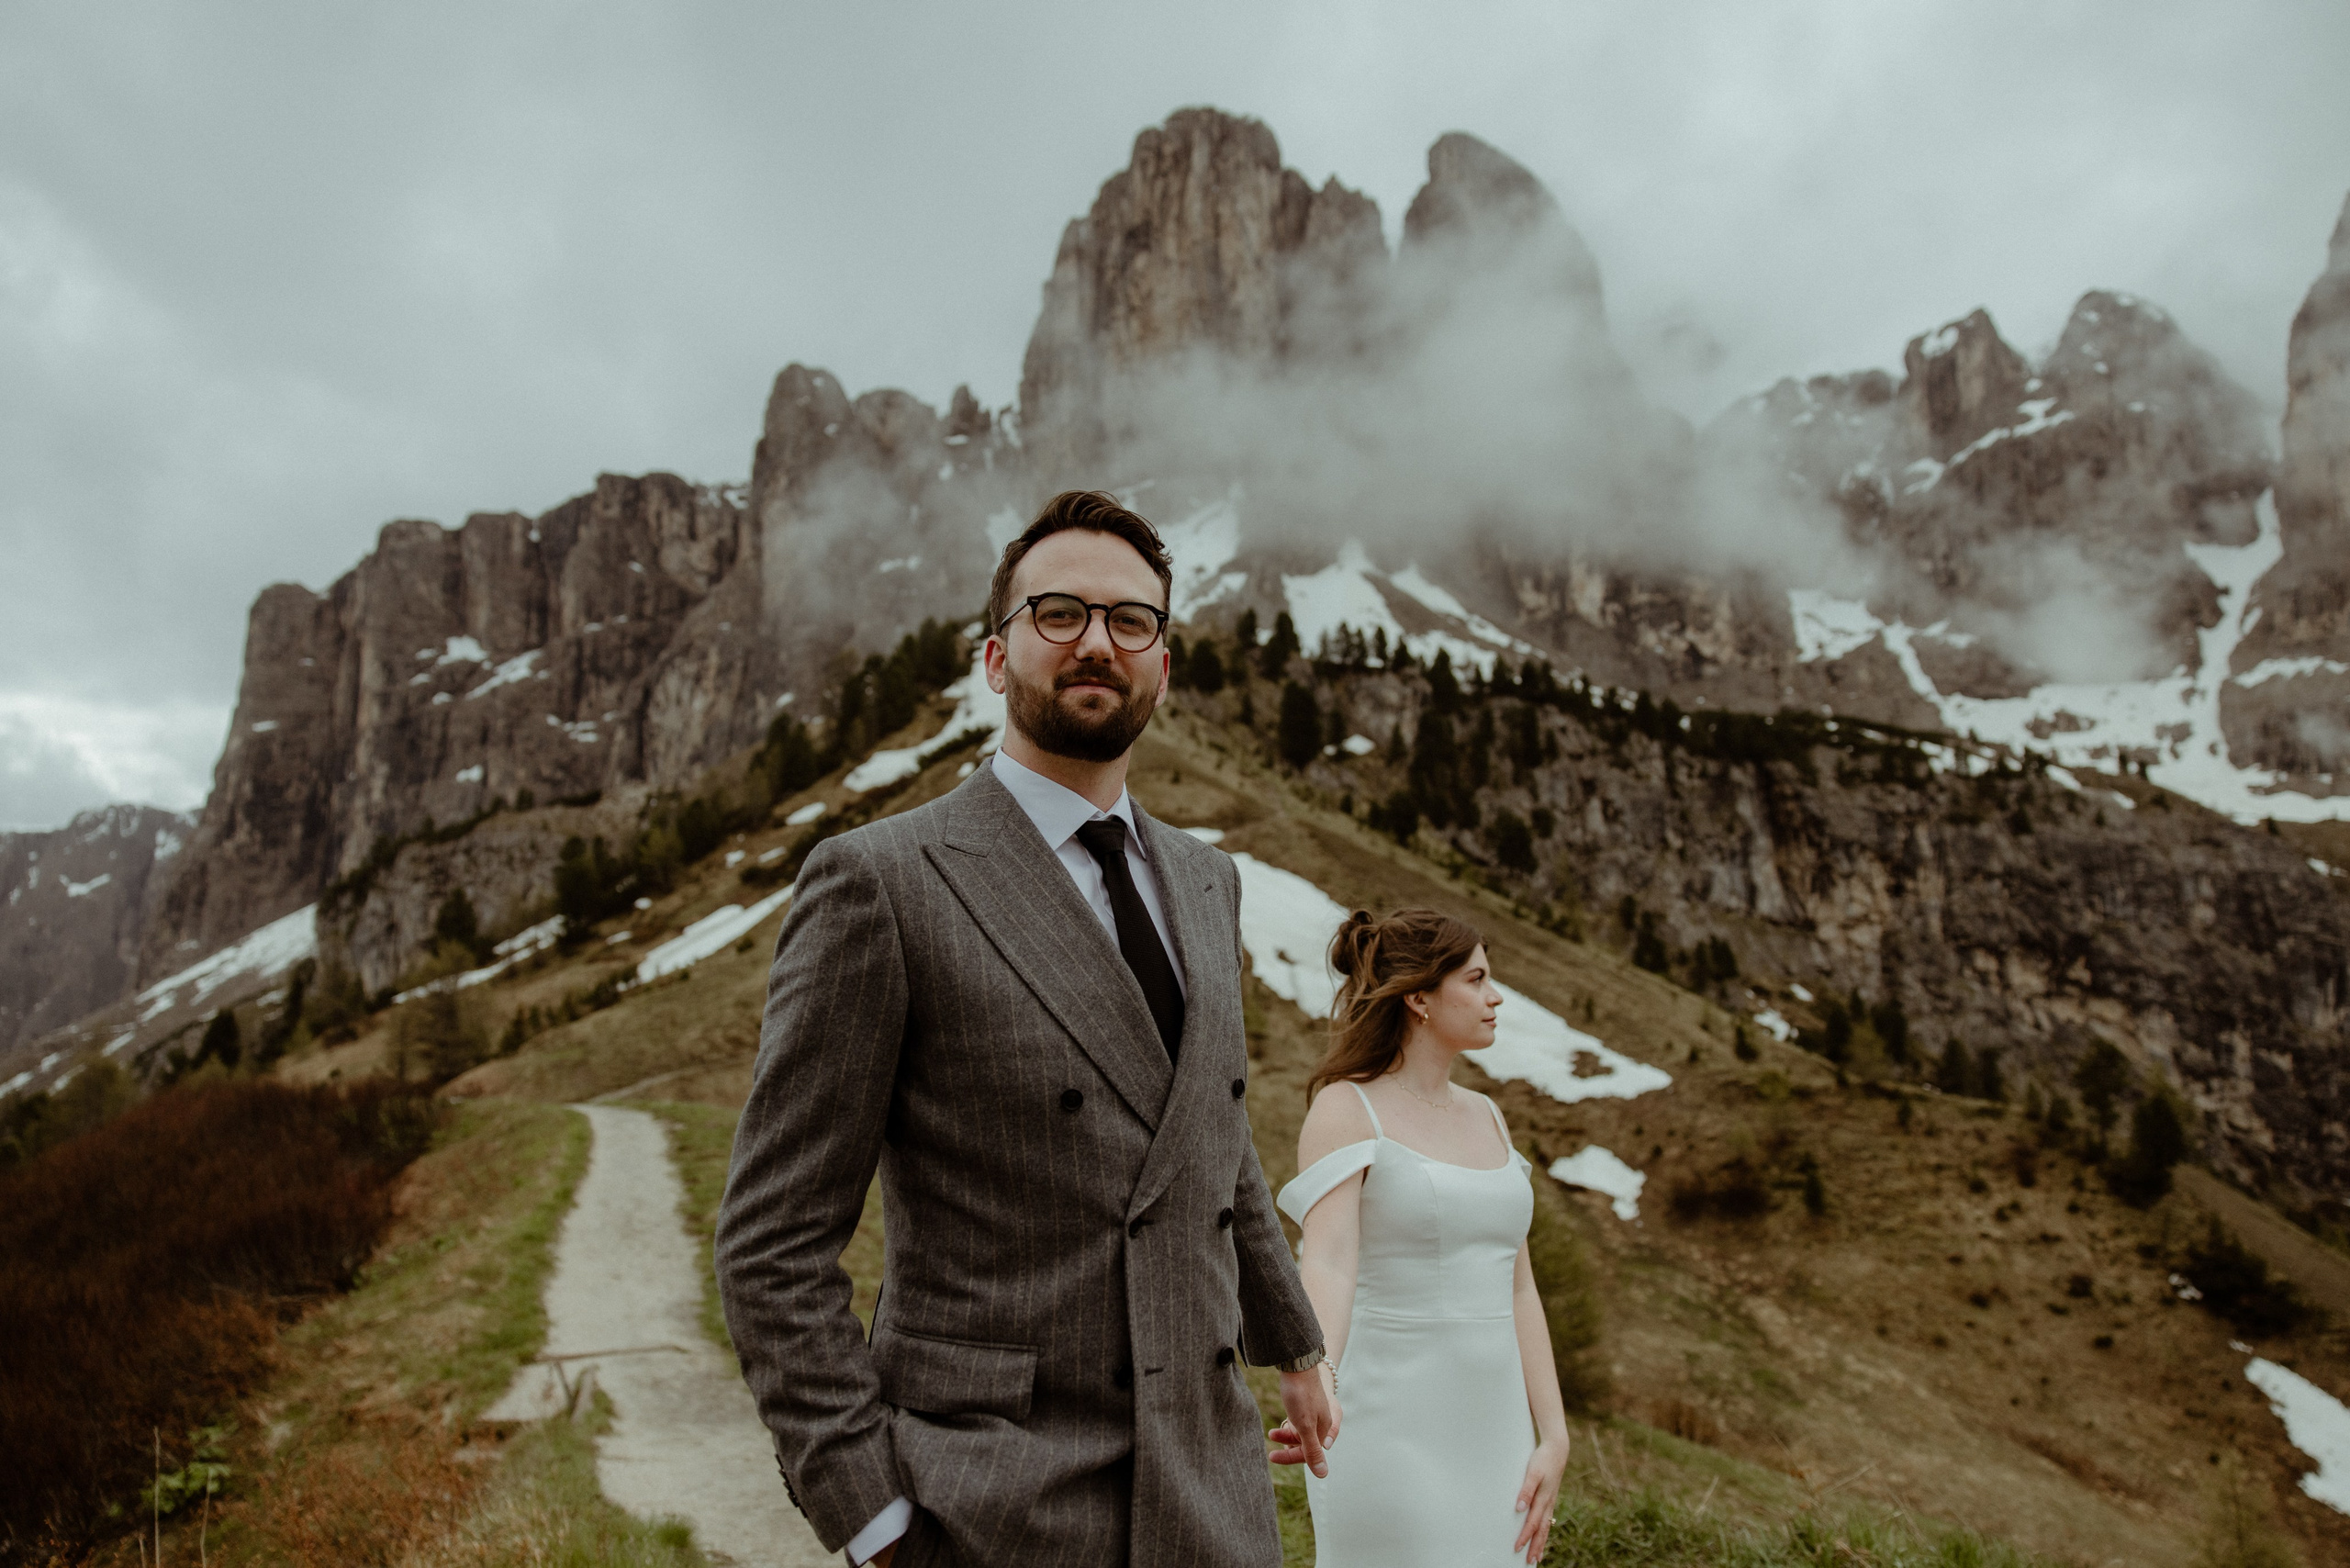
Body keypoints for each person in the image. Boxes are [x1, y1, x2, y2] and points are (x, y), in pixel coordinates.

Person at [715, 490, 1339, 1568]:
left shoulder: (1208, 880)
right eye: (1060, 614)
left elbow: (1214, 1138)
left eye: (1129, 621)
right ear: (996, 658)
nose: (1097, 642)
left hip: (1212, 1497)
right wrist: (872, 1518)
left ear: (1163, 663)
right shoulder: (883, 881)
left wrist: (1295, 1343)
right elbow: (771, 1245)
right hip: (989, 1506)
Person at [1271, 909, 1571, 1566]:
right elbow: (1328, 1259)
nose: (1496, 998)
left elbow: (1519, 1286)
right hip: (1387, 1425)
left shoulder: (1489, 1115)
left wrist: (1553, 1436)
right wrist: (1317, 1373)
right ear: (1419, 997)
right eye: (1478, 979)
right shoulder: (1347, 1108)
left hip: (1498, 1435)